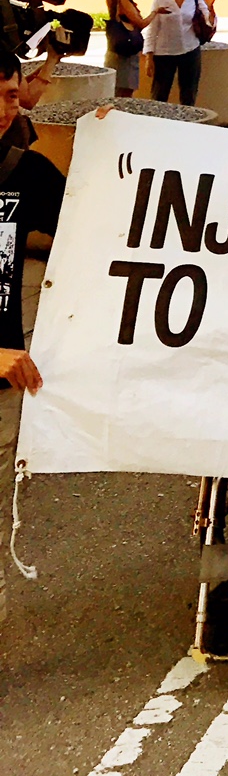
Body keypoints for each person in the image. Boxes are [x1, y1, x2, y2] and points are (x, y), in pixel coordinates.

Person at [0, 46, 64, 521]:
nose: (7, 111)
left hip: (4, 393)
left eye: (10, 96)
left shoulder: (24, 171)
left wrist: (116, 142)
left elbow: (102, 229)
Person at [143, 0, 217, 106]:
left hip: (190, 51)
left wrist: (209, 7)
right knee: (159, 96)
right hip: (164, 54)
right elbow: (153, 28)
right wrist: (148, 57)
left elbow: (209, 22)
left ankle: (186, 126)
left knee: (188, 95)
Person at [103, 0, 145, 99]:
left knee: (118, 92)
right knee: (124, 93)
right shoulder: (123, 0)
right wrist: (156, 12)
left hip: (117, 52)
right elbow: (140, 23)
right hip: (125, 56)